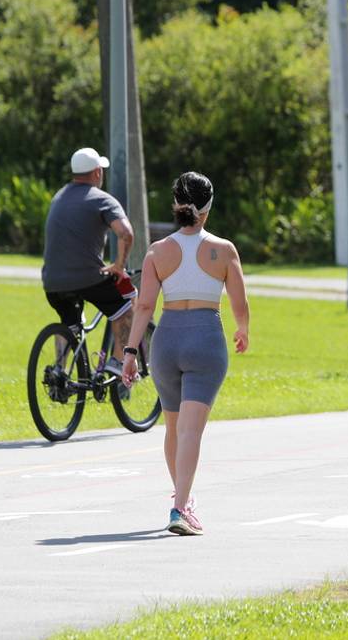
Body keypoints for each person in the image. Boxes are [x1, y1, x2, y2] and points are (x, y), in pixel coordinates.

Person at [121, 171, 249, 536]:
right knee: (193, 431)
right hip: (206, 339)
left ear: (176, 206)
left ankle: (184, 497)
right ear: (207, 208)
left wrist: (130, 352)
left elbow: (144, 306)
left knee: (174, 427)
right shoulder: (223, 250)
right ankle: (180, 508)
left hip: (166, 342)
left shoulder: (157, 251)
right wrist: (243, 330)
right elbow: (239, 303)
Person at [41, 147, 136, 377]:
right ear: (96, 173)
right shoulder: (101, 200)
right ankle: (116, 361)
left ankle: (59, 372)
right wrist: (119, 266)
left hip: (52, 282)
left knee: (70, 325)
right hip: (88, 278)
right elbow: (126, 234)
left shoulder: (59, 197)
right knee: (127, 307)